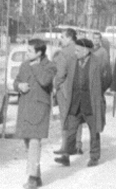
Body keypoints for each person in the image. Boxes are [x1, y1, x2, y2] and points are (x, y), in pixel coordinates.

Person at [53, 38, 111, 168]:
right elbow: (63, 76)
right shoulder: (72, 61)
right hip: (75, 101)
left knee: (94, 130)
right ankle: (66, 156)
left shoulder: (97, 62)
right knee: (70, 128)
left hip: (91, 102)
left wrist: (98, 92)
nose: (75, 52)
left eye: (78, 50)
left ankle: (94, 157)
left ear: (86, 51)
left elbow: (107, 78)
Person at [14, 38, 57, 189]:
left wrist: (36, 65)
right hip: (25, 107)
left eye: (29, 51)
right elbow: (16, 81)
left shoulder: (50, 66)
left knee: (34, 142)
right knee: (28, 142)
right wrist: (19, 85)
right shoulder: (24, 65)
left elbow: (45, 81)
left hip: (39, 109)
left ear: (39, 53)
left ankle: (32, 178)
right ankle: (37, 176)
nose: (26, 54)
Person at [53, 27, 78, 155]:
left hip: (65, 90)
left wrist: (55, 87)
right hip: (78, 89)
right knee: (76, 118)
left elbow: (60, 74)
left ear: (69, 37)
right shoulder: (80, 50)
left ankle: (65, 147)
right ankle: (76, 144)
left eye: (62, 37)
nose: (61, 40)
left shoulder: (64, 53)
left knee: (65, 118)